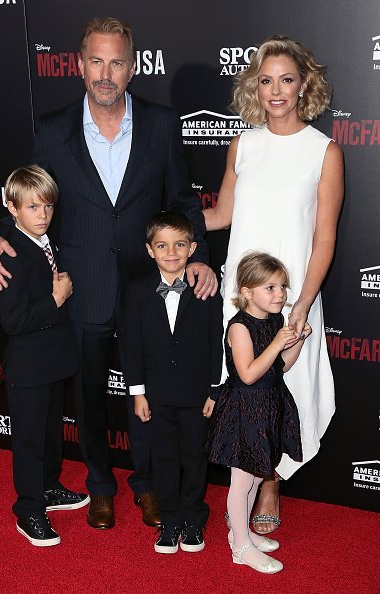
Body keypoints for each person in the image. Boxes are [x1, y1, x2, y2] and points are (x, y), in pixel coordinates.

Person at [0, 17, 217, 530]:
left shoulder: (161, 123)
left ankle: (150, 486)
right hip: (81, 288)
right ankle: (100, 488)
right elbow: (29, 197)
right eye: (96, 60)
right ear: (78, 65)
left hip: (150, 291)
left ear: (132, 67)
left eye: (116, 61)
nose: (106, 73)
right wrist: (0, 231)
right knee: (88, 400)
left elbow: (182, 200)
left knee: (150, 395)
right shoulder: (52, 128)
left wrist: (197, 254)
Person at [204, 35, 344, 534]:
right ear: (254, 88)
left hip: (292, 298)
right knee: (246, 387)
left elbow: (324, 239)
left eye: (286, 79)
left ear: (304, 83)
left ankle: (270, 483)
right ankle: (243, 478)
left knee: (286, 387)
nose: (276, 91)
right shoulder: (243, 143)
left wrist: (302, 305)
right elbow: (221, 214)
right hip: (242, 293)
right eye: (266, 81)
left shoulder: (323, 151)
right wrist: (164, 222)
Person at [0, 165, 89, 547]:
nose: (42, 215)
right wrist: (56, 299)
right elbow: (13, 321)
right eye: (33, 208)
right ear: (12, 208)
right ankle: (29, 511)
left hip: (54, 361)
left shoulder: (45, 241)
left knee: (51, 433)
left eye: (48, 207)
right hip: (28, 366)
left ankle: (49, 489)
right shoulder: (12, 254)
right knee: (31, 441)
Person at [121, 211, 223, 553]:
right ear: (150, 250)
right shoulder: (136, 291)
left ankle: (194, 519)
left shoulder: (206, 290)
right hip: (157, 394)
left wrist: (214, 388)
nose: (171, 252)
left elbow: (216, 343)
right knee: (162, 458)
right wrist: (138, 393)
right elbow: (131, 346)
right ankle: (170, 520)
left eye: (180, 244)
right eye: (162, 245)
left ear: (192, 247)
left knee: (194, 457)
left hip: (196, 395)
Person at [208, 252, 311, 573]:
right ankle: (240, 546)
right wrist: (277, 343)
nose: (280, 294)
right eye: (270, 287)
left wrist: (296, 342)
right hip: (244, 409)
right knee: (241, 482)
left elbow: (279, 367)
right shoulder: (239, 327)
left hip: (268, 405)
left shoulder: (275, 322)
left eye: (282, 286)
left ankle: (244, 533)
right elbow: (248, 374)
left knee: (254, 477)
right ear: (247, 291)